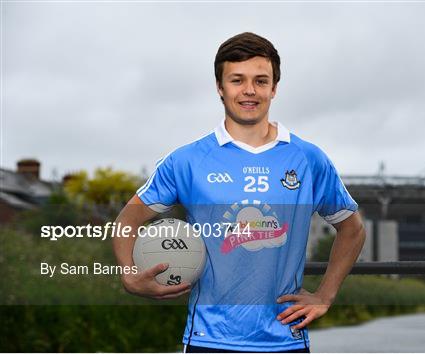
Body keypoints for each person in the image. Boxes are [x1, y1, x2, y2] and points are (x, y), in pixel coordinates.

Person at [113, 32, 366, 353]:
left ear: (274, 88)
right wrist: (129, 275)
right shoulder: (187, 160)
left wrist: (325, 295)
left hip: (285, 339)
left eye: (261, 81)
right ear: (220, 87)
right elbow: (127, 219)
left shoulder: (308, 158)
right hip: (208, 339)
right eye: (237, 80)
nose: (249, 90)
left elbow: (352, 229)